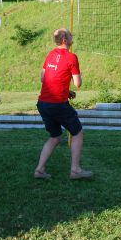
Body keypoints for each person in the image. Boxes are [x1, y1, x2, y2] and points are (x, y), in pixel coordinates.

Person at [34, 28, 92, 180]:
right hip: (58, 104)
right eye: (71, 34)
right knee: (78, 132)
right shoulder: (71, 57)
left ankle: (39, 170)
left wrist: (66, 91)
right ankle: (75, 170)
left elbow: (43, 78)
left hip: (43, 103)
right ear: (65, 40)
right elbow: (78, 83)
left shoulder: (50, 55)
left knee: (55, 137)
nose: (73, 36)